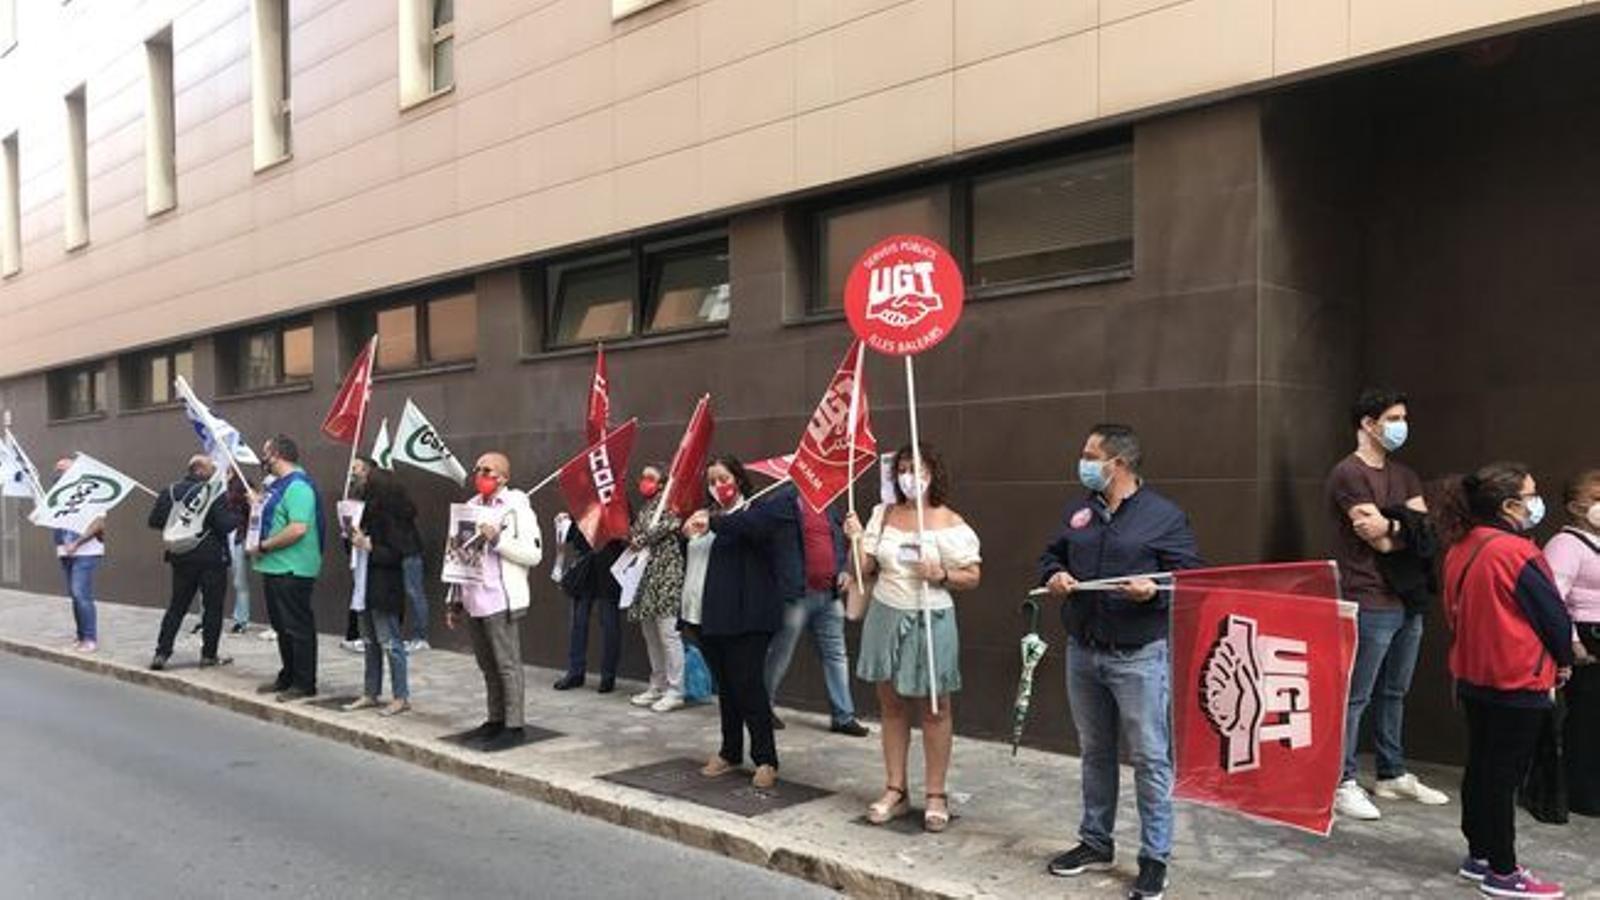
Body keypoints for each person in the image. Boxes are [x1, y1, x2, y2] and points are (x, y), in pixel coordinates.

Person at [1038, 424, 1201, 900]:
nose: (1083, 462)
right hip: (1084, 652)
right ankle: (1095, 842)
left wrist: (1154, 591)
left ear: (1120, 464)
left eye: (1091, 455)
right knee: (1095, 752)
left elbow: (1188, 578)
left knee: (1150, 758)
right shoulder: (1080, 510)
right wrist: (1056, 575)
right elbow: (1051, 555)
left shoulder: (1164, 516)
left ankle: (1154, 858)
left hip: (1139, 657)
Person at [1438, 462, 1573, 898]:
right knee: (1502, 776)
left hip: (1473, 675)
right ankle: (1503, 870)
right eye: (1531, 494)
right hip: (1516, 678)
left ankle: (1479, 855)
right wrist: (1564, 659)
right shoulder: (1515, 552)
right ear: (1510, 505)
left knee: (1481, 766)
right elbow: (1551, 616)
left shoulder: (1462, 545)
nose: (1537, 502)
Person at [844, 443, 980, 833]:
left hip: (932, 617)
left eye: (917, 469)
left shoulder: (951, 522)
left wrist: (940, 574)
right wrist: (855, 539)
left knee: (936, 707)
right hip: (886, 612)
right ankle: (895, 788)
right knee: (891, 705)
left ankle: (936, 793)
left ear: (934, 473)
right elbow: (863, 568)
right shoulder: (882, 515)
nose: (909, 476)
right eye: (902, 469)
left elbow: (972, 575)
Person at [1326, 388, 1449, 821]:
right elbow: (1374, 538)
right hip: (1368, 594)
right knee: (1356, 694)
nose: (1401, 425)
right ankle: (1341, 780)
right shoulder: (1349, 474)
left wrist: (1396, 522)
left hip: (1408, 595)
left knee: (1394, 690)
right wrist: (1407, 527)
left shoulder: (1406, 474)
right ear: (1368, 423)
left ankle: (1391, 772)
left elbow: (1429, 536)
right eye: (1393, 417)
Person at [681, 455, 787, 789]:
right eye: (711, 481)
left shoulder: (757, 511)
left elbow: (750, 529)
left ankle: (766, 758)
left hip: (748, 619)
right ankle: (730, 750)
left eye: (724, 479)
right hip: (707, 617)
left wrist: (712, 523)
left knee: (749, 685)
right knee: (725, 687)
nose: (718, 487)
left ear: (738, 480)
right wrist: (686, 533)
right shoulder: (705, 518)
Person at [445, 452, 542, 752]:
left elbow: (533, 554)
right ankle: (495, 718)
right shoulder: (470, 507)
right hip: (473, 596)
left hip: (500, 597)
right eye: (478, 470)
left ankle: (514, 724)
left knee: (507, 664)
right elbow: (456, 559)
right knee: (487, 665)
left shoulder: (517, 509)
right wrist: (453, 599)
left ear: (503, 477)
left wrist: (498, 540)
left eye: (488, 470)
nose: (481, 475)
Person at [766, 493, 869, 737]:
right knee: (780, 652)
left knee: (836, 655)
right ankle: (763, 707)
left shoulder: (828, 504)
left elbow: (837, 542)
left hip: (829, 594)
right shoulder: (783, 503)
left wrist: (845, 569)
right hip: (798, 594)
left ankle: (843, 716)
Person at [249, 435, 325, 703]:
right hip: (275, 567)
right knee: (282, 626)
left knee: (297, 627)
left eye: (265, 454)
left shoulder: (298, 487)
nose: (263, 460)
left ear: (278, 455)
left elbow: (297, 528)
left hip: (293, 568)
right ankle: (289, 674)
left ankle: (305, 682)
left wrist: (266, 546)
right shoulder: (278, 487)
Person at [1543, 469, 1600, 817]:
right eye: (1596, 499)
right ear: (1575, 506)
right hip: (1588, 636)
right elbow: (1554, 599)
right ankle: (1583, 792)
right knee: (1587, 720)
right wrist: (1573, 642)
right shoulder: (1566, 545)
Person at [147, 455, 240, 670]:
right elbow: (225, 525)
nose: (214, 471)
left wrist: (177, 520)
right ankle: (208, 655)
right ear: (199, 470)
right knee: (212, 607)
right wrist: (240, 514)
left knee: (177, 606)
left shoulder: (169, 491)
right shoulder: (211, 492)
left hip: (181, 557)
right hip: (211, 558)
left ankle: (162, 653)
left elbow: (154, 521)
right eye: (211, 468)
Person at [344, 465, 418, 716]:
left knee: (390, 642)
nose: (359, 480)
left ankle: (401, 696)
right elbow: (352, 550)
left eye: (364, 477)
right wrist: (352, 539)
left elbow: (396, 554)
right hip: (363, 584)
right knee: (369, 642)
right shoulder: (363, 514)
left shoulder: (392, 518)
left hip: (383, 586)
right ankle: (370, 692)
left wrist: (369, 545)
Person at [626, 464, 688, 713]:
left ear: (663, 483)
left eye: (650, 478)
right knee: (651, 635)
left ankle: (676, 690)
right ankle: (658, 685)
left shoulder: (671, 505)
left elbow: (656, 531)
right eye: (643, 476)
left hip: (666, 577)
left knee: (668, 635)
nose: (644, 482)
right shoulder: (646, 508)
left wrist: (637, 539)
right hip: (645, 577)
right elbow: (635, 534)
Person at [554, 520, 623, 693]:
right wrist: (564, 524)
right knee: (578, 622)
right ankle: (575, 672)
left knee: (609, 624)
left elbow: (623, 531)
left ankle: (608, 676)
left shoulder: (615, 500)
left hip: (609, 565)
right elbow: (571, 537)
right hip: (585, 566)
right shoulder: (582, 501)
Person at [51, 457, 105, 654]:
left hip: (86, 551)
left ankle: (90, 638)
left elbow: (99, 523)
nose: (59, 475)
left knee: (81, 593)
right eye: (57, 471)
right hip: (65, 551)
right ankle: (81, 635)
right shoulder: (59, 495)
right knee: (74, 595)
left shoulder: (92, 493)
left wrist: (77, 542)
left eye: (63, 470)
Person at [224, 472, 254, 634]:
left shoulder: (242, 482)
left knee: (239, 580)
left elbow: (252, 512)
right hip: (220, 536)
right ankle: (204, 619)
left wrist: (251, 539)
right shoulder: (214, 484)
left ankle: (241, 619)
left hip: (238, 535)